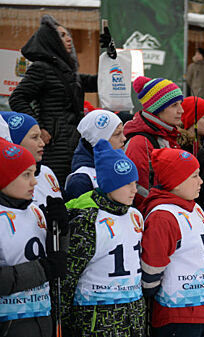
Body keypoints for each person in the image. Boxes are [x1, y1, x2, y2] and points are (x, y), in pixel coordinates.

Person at [62, 139, 144, 337]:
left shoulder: (135, 215)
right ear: (107, 184)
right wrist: (63, 318)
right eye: (126, 184)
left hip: (132, 319)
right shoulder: (87, 221)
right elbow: (69, 274)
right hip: (97, 323)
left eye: (135, 182)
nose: (134, 190)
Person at [9, 15, 101, 186]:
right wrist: (37, 128)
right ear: (51, 41)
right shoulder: (41, 68)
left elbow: (95, 82)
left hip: (72, 141)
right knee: (58, 189)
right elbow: (17, 98)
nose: (68, 39)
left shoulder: (66, 71)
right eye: (62, 35)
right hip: (55, 145)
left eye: (68, 35)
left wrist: (112, 62)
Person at [140, 148, 204, 337]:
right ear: (175, 181)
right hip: (177, 314)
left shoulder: (194, 207)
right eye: (194, 176)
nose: (200, 181)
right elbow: (151, 267)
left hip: (202, 309)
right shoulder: (163, 216)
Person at [0, 138, 68, 337]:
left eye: (33, 173)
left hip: (42, 321)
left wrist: (61, 231)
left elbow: (56, 261)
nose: (35, 182)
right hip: (10, 328)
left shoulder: (35, 211)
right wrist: (44, 269)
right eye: (25, 175)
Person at [124, 76, 183, 211]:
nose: (181, 110)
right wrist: (160, 210)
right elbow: (138, 190)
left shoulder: (169, 135)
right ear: (158, 109)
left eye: (180, 103)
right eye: (174, 105)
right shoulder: (140, 142)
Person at [1, 111, 62, 207]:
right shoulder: (8, 184)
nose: (42, 143)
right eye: (34, 137)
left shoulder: (46, 172)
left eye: (40, 137)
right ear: (13, 142)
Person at [64, 110, 125, 201]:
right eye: (117, 134)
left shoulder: (120, 168)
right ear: (99, 141)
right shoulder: (82, 180)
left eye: (123, 132)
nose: (124, 138)